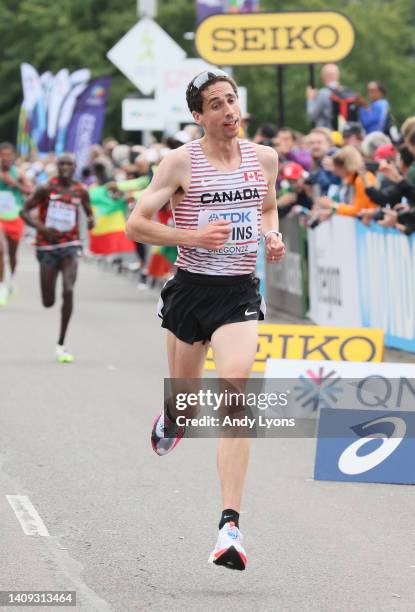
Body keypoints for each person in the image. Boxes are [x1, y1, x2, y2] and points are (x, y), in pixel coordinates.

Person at [126, 68, 285, 571]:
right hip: (191, 292)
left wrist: (273, 237)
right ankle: (174, 417)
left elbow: (268, 209)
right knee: (189, 408)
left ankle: (229, 526)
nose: (228, 111)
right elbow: (137, 222)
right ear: (199, 116)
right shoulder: (179, 162)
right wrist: (191, 238)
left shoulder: (265, 159)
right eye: (215, 104)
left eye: (232, 100)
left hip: (238, 293)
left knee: (236, 386)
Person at [22, 153, 94, 363]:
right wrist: (42, 228)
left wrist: (91, 220)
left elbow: (89, 214)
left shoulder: (81, 190)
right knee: (48, 301)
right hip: (47, 246)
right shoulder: (46, 188)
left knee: (69, 289)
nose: (65, 167)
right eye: (61, 163)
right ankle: (51, 304)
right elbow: (24, 211)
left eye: (69, 164)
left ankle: (61, 343)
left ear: (75, 167)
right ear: (56, 166)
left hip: (70, 246)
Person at [0, 142, 32, 305]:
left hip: (14, 217)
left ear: (13, 156)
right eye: (2, 155)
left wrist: (14, 184)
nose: (5, 158)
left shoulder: (19, 173)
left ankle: (10, 280)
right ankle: (1, 285)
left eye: (8, 155)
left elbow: (31, 191)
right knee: (0, 248)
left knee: (12, 254)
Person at [306, 63, 340, 129]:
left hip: (327, 133)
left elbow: (312, 115)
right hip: (343, 134)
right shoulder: (346, 91)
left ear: (322, 77)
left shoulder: (323, 93)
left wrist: (310, 99)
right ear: (338, 76)